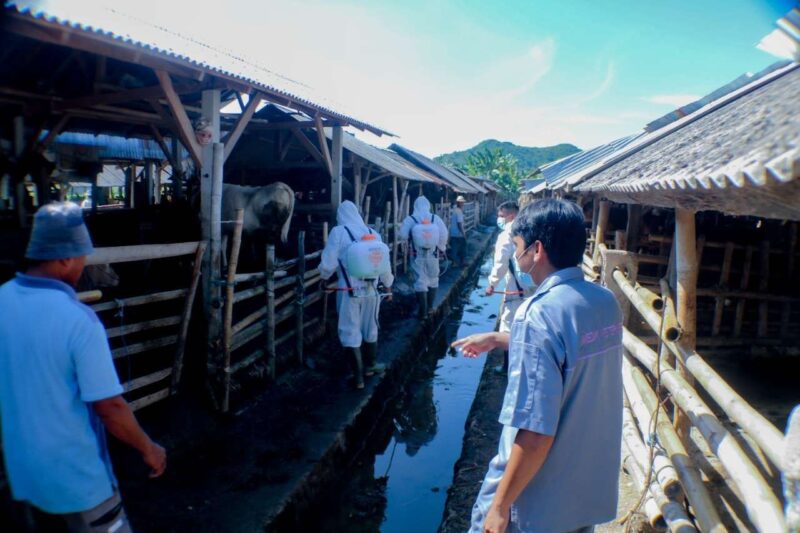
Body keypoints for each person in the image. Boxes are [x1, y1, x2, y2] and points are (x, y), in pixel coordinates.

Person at [452, 199, 623, 533]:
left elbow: (535, 430)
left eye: (518, 247)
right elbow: (568, 354)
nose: (518, 255)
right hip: (583, 491)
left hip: (536, 499)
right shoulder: (604, 302)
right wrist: (499, 338)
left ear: (537, 249)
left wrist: (500, 507)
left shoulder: (538, 313)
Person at [0, 202, 166, 533]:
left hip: (23, 476)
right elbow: (110, 407)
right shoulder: (78, 320)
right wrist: (149, 448)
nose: (83, 264)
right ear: (64, 258)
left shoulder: (2, 298)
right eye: (82, 257)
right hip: (78, 482)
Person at [320, 201, 394, 389]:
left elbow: (328, 264)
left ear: (340, 216)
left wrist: (324, 278)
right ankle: (370, 367)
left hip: (349, 291)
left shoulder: (338, 232)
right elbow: (383, 264)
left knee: (349, 331)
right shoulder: (373, 233)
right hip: (373, 291)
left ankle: (358, 378)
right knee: (371, 328)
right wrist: (388, 286)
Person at [486, 201, 535, 374]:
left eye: (501, 215)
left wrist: (492, 284)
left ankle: (508, 368)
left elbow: (501, 263)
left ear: (511, 216)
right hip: (535, 285)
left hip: (517, 288)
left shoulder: (507, 234)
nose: (499, 219)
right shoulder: (531, 228)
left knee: (509, 327)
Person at [399, 196, 448, 318]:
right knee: (433, 279)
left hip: (417, 255)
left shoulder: (410, 219)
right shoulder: (435, 218)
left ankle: (423, 312)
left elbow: (402, 235)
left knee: (420, 281)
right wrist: (442, 248)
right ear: (428, 206)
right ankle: (430, 307)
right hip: (433, 254)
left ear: (415, 206)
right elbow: (444, 234)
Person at [449, 195, 468, 266]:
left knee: (454, 248)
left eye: (463, 202)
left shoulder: (454, 210)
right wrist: (464, 234)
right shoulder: (459, 211)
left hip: (453, 233)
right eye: (461, 202)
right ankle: (462, 262)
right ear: (458, 203)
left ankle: (454, 263)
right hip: (459, 234)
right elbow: (459, 224)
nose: (462, 204)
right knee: (463, 248)